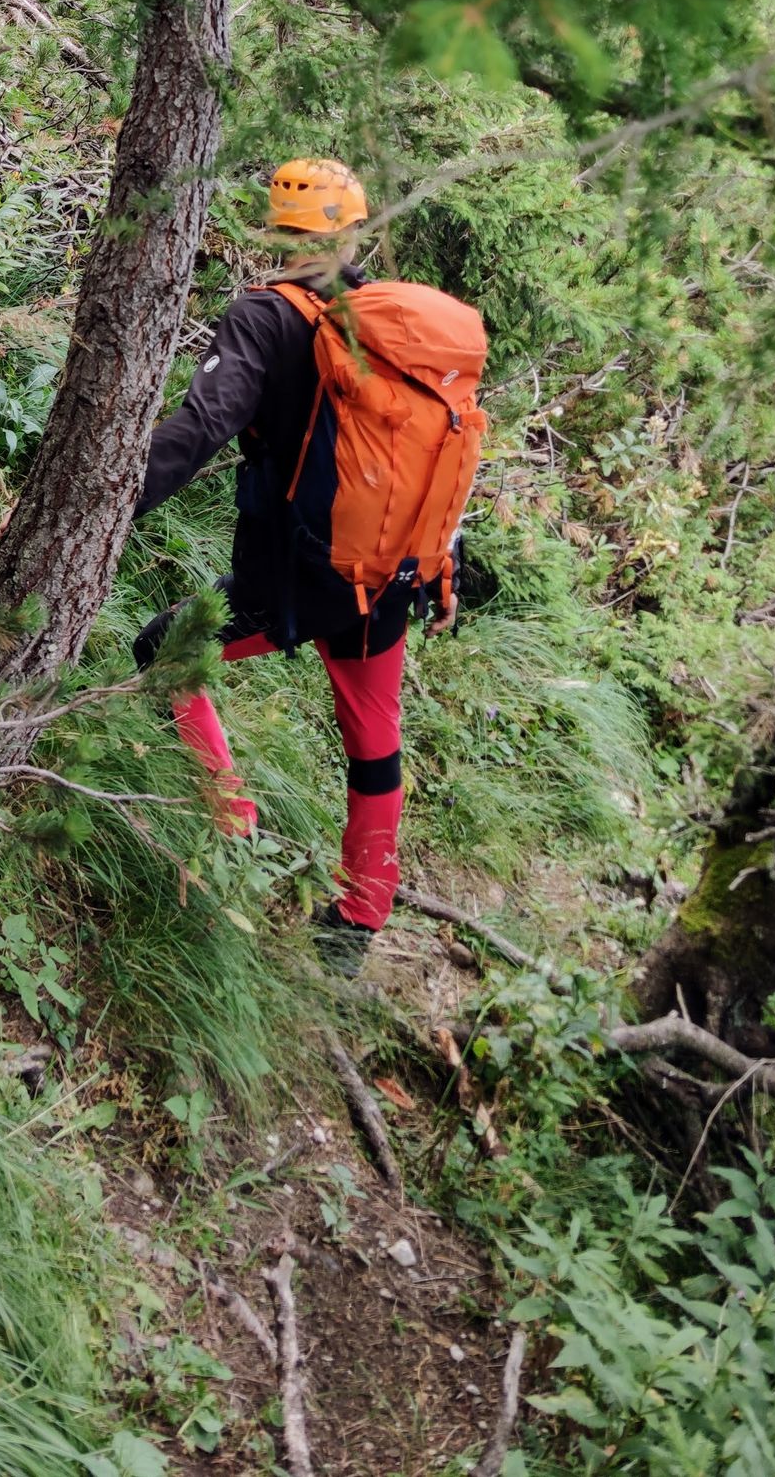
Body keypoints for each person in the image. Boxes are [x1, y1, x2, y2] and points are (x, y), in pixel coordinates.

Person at [132, 158, 481, 977]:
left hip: (291, 581)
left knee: (163, 652)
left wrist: (110, 500)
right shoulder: (390, 329)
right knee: (373, 743)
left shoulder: (264, 318)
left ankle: (231, 820)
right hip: (385, 582)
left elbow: (203, 426)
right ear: (355, 231)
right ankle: (357, 921)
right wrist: (434, 573)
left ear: (276, 229)